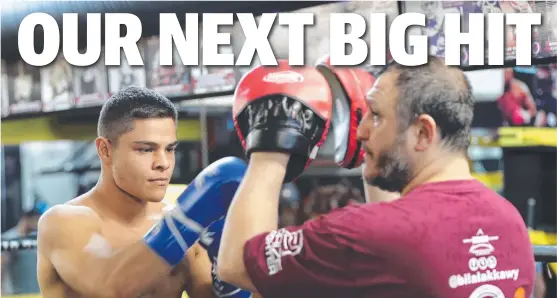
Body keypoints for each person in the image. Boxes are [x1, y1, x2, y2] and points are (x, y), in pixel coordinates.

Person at [218, 57, 536, 297]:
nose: (363, 129)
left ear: (423, 133)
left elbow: (236, 263)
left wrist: (271, 146)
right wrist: (372, 159)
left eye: (376, 116)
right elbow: (404, 245)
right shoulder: (510, 222)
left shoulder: (365, 233)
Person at [37, 86, 252, 298]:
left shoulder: (184, 228)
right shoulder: (64, 222)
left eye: (169, 149)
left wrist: (233, 276)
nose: (163, 163)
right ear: (105, 150)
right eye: (146, 149)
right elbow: (112, 287)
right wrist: (185, 221)